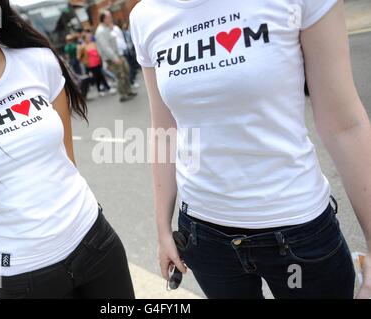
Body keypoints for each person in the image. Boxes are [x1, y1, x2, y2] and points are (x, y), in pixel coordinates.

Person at [130, 0, 371, 299]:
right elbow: (165, 132)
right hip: (204, 237)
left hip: (298, 231)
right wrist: (162, 230)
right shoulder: (146, 16)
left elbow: (345, 125)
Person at [0, 0, 134, 299]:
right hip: (22, 276)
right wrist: (16, 244)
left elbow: (65, 158)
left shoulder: (38, 60)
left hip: (96, 242)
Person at [95, 10, 137, 103]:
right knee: (120, 75)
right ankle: (123, 95)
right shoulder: (100, 31)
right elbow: (105, 47)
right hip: (113, 58)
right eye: (109, 17)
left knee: (126, 71)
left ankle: (128, 91)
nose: (111, 18)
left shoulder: (107, 28)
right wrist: (114, 58)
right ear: (104, 19)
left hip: (118, 54)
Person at [78, 31, 115, 97]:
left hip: (98, 62)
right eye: (88, 37)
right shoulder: (82, 47)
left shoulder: (93, 44)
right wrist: (85, 62)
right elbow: (79, 57)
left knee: (98, 77)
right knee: (100, 76)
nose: (89, 38)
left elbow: (98, 52)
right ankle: (108, 88)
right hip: (91, 65)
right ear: (84, 39)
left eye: (89, 37)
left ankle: (99, 90)